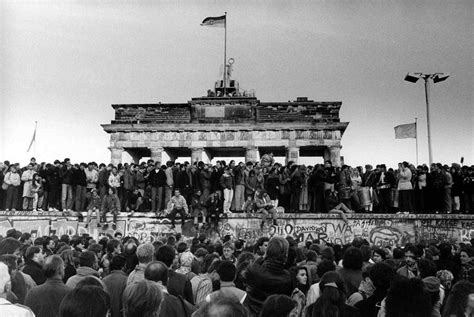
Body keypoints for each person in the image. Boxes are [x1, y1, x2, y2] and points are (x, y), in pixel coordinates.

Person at [245, 237, 292, 316]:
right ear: (285, 255)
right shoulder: (288, 278)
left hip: (254, 312)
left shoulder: (254, 271)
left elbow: (254, 265)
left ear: (268, 251)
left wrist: (263, 256)